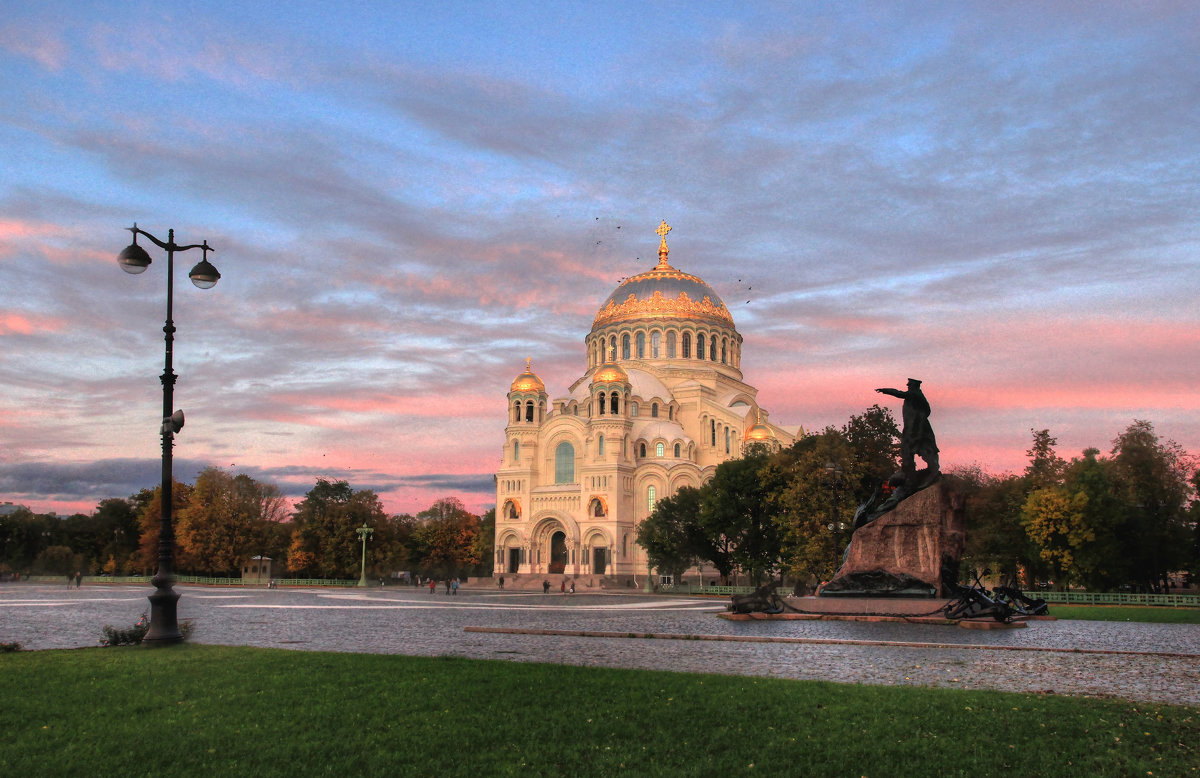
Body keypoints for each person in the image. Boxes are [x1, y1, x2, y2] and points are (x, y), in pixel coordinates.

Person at [876, 378, 940, 485]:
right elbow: (927, 410)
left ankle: (921, 473)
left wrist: (885, 390)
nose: (908, 385)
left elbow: (899, 393)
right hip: (912, 429)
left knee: (920, 448)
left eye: (909, 384)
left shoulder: (915, 394)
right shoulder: (915, 396)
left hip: (918, 429)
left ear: (914, 385)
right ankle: (909, 474)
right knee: (907, 449)